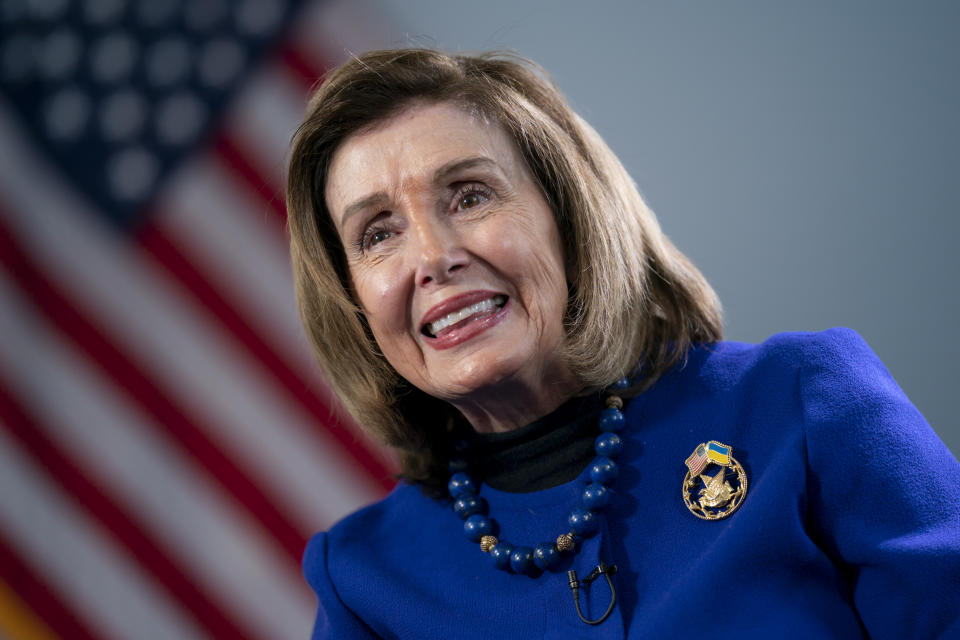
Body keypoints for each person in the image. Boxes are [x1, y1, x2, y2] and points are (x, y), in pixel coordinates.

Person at [286, 49, 960, 639]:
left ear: (570, 219)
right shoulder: (363, 584)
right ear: (353, 302)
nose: (433, 257)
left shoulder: (801, 402)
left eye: (469, 197)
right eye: (378, 234)